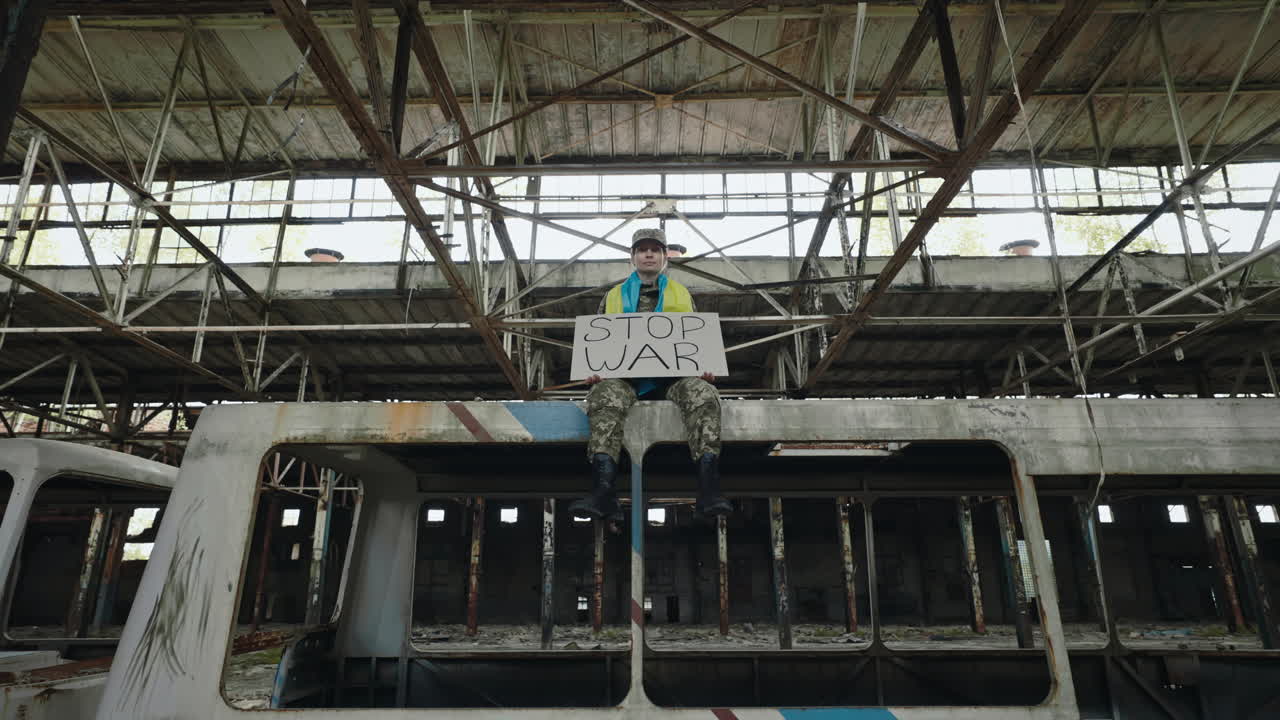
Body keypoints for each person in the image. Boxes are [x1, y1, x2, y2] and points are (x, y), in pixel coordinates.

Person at [569, 228, 732, 520]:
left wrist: (705, 366)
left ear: (664, 258)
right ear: (632, 257)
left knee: (705, 395)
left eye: (654, 250)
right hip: (625, 381)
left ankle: (709, 489)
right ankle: (603, 492)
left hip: (674, 380)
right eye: (642, 249)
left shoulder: (682, 295)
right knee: (602, 396)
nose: (648, 254)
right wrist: (594, 371)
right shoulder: (613, 296)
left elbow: (695, 342)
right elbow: (596, 344)